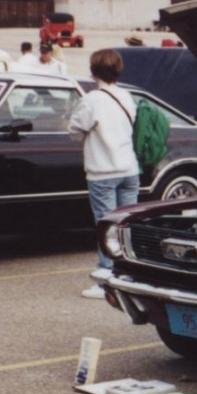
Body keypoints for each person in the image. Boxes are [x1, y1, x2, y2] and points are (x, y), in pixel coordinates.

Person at [68, 49, 139, 298]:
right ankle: (130, 273)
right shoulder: (127, 96)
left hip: (102, 171)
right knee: (127, 225)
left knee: (106, 227)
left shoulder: (91, 100)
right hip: (129, 168)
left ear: (93, 71)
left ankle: (106, 278)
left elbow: (75, 132)